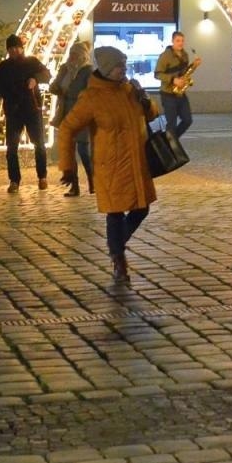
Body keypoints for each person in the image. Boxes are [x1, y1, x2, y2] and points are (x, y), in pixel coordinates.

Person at [58, 46, 157, 285]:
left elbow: (152, 115)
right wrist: (67, 166)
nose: (123, 69)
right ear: (106, 69)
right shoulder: (92, 97)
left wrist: (145, 100)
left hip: (136, 162)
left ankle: (116, 246)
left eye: (124, 64)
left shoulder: (130, 89)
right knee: (115, 212)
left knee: (142, 208)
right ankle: (118, 259)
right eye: (118, 66)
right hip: (110, 164)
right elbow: (67, 128)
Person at [0, 34, 51, 192]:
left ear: (21, 48)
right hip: (13, 110)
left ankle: (42, 176)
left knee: (39, 144)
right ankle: (14, 180)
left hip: (32, 109)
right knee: (11, 147)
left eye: (16, 47)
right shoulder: (3, 67)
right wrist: (8, 92)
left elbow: (47, 74)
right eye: (10, 48)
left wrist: (35, 79)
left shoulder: (32, 62)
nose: (13, 51)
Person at [50, 41, 95, 196]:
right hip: (66, 112)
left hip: (82, 113)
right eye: (71, 54)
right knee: (69, 152)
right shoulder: (65, 69)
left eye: (75, 54)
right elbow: (54, 85)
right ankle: (74, 186)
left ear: (82, 56)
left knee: (83, 150)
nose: (72, 57)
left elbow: (91, 92)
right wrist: (57, 87)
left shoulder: (88, 71)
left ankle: (93, 181)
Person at [153, 31, 198, 139]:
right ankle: (171, 143)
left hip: (180, 93)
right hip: (168, 94)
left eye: (182, 41)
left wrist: (194, 65)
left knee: (187, 120)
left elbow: (185, 72)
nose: (180, 43)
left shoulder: (185, 55)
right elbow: (157, 74)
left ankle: (172, 141)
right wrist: (173, 80)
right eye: (178, 41)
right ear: (172, 41)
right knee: (171, 124)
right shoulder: (165, 56)